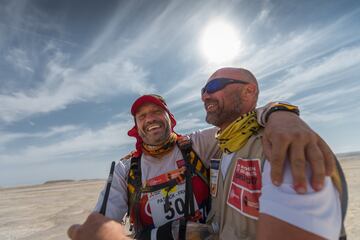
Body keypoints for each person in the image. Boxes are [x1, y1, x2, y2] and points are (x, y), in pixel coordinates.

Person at [68, 92, 340, 240]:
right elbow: (103, 224)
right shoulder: (125, 169)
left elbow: (244, 122)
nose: (150, 119)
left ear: (169, 119)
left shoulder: (197, 144)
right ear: (136, 127)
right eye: (142, 116)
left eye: (156, 113)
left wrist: (282, 115)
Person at [202, 67, 347, 240]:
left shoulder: (279, 145)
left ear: (248, 91)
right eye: (203, 91)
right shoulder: (220, 149)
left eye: (213, 86)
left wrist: (281, 112)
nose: (205, 96)